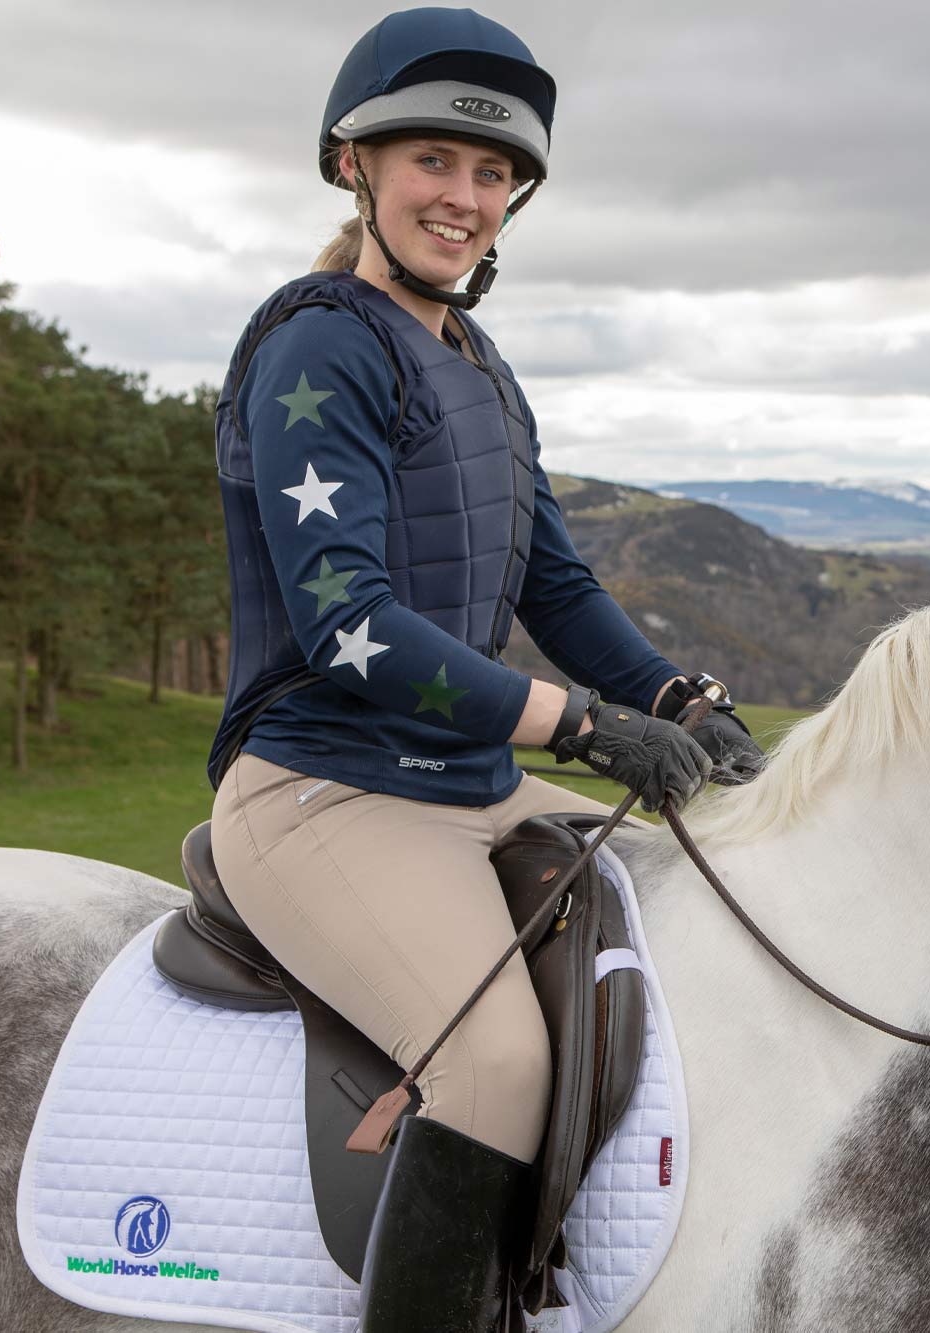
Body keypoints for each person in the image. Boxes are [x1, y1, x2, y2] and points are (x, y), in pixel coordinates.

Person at [204, 9, 764, 1329]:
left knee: (716, 901)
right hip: (324, 795)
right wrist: (581, 725)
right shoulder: (317, 344)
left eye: (493, 173)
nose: (467, 198)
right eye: (435, 163)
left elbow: (550, 583)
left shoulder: (481, 366)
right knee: (499, 1065)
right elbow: (349, 617)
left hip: (468, 784)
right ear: (357, 166)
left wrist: (676, 698)